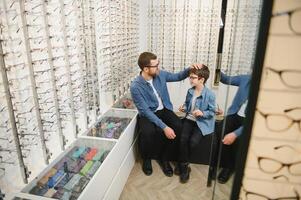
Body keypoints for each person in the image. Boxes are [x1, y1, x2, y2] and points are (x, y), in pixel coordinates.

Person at [130, 52, 203, 177]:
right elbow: (145, 111)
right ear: (145, 69)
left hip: (164, 109)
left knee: (178, 126)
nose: (158, 67)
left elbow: (178, 76)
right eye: (155, 65)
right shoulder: (135, 86)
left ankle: (165, 158)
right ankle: (146, 159)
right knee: (148, 132)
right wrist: (164, 127)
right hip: (149, 113)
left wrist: (190, 69)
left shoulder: (160, 74)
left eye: (158, 64)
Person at [178, 66, 216, 183]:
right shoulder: (190, 91)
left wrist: (202, 113)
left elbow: (212, 112)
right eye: (190, 77)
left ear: (202, 79)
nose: (190, 80)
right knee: (182, 139)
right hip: (189, 119)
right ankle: (184, 167)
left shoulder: (210, 94)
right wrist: (184, 108)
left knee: (193, 142)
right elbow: (187, 104)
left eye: (193, 78)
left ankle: (184, 163)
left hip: (202, 122)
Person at [216, 71, 251, 184]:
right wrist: (217, 67)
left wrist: (235, 134)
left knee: (238, 139)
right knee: (221, 130)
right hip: (235, 114)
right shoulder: (245, 78)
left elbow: (254, 122)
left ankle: (229, 168)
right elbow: (226, 79)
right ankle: (225, 162)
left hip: (249, 122)